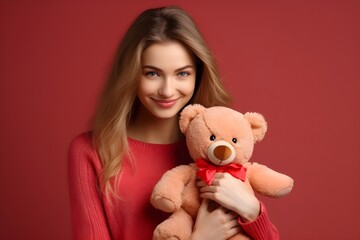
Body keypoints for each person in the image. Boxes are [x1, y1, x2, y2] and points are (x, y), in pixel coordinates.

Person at [68, 6, 279, 240]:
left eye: (182, 74)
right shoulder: (91, 151)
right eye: (152, 73)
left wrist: (252, 210)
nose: (167, 91)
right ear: (131, 74)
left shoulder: (215, 142)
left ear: (199, 74)